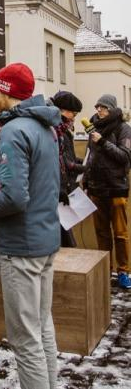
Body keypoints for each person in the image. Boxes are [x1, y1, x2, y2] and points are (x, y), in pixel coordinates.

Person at [0, 63, 61, 389]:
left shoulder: (13, 130)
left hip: (21, 246)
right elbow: (39, 182)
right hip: (44, 240)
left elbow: (14, 198)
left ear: (8, 93)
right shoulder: (45, 128)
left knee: (25, 340)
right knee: (42, 329)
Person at [84, 94, 131, 289]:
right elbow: (89, 158)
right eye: (97, 107)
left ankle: (124, 272)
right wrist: (86, 182)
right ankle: (105, 268)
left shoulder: (123, 128)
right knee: (101, 233)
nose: (99, 111)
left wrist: (102, 142)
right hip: (96, 189)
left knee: (120, 234)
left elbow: (125, 156)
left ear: (111, 109)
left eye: (103, 107)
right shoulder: (92, 128)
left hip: (117, 189)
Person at [49, 91, 85, 248]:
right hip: (56, 193)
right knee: (65, 243)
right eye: (73, 113)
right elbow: (59, 160)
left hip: (63, 191)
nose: (73, 118)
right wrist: (78, 166)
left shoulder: (63, 131)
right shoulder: (54, 130)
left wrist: (79, 163)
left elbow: (66, 158)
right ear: (63, 110)